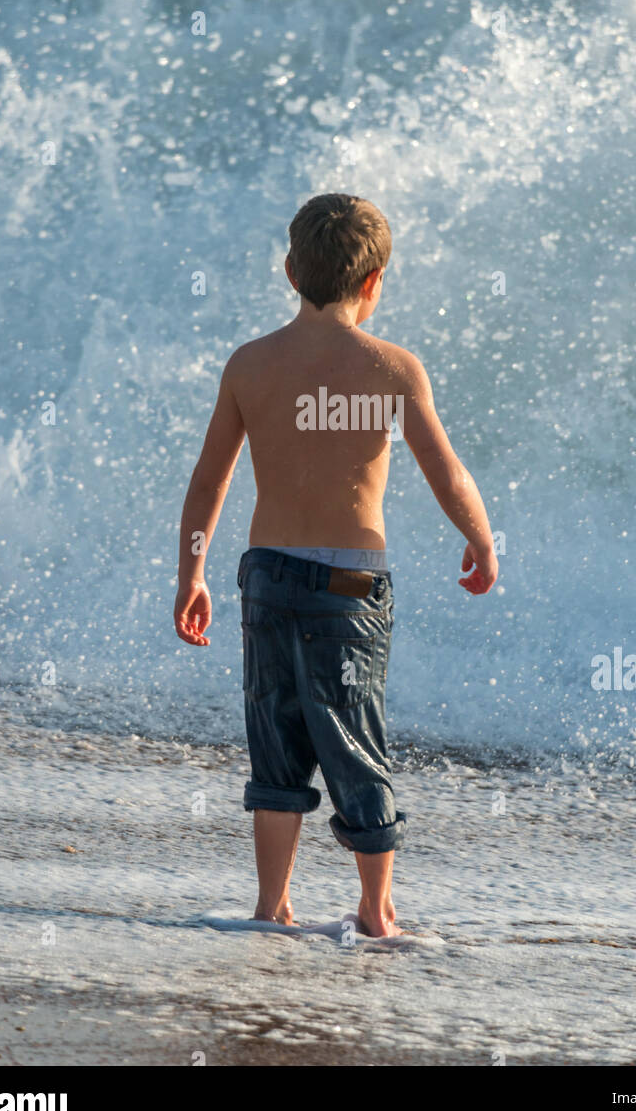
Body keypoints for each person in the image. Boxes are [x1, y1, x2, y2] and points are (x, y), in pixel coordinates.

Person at [174, 193, 497, 937]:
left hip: (266, 577)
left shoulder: (250, 364)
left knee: (275, 739)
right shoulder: (391, 368)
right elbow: (445, 471)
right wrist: (480, 541)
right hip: (350, 588)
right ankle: (375, 909)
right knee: (354, 739)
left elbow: (208, 482)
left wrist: (191, 573)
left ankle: (270, 906)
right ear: (375, 280)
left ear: (289, 271)